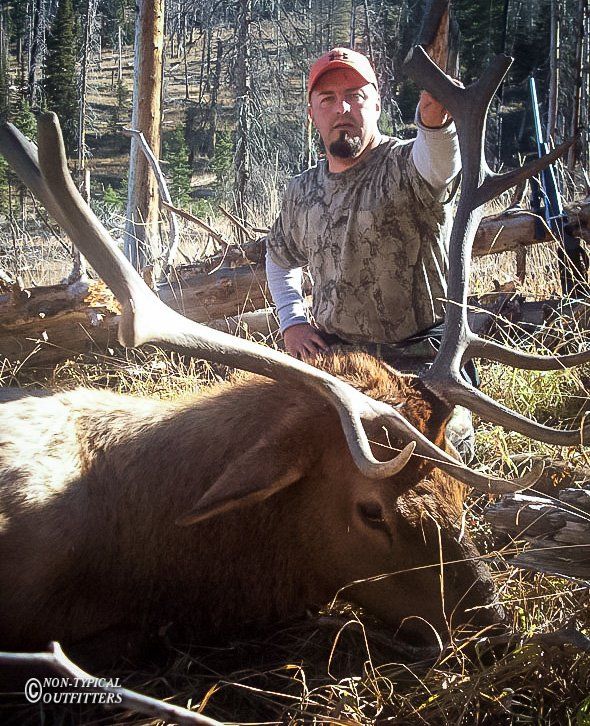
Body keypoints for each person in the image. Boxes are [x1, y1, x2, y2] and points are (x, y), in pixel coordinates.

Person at [265, 47, 474, 459]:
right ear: (312, 114)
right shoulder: (301, 191)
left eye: (355, 95)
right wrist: (292, 322)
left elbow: (438, 162)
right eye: (327, 99)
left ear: (377, 104)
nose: (342, 107)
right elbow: (278, 257)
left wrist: (436, 117)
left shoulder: (406, 166)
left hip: (421, 361)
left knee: (436, 458)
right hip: (338, 360)